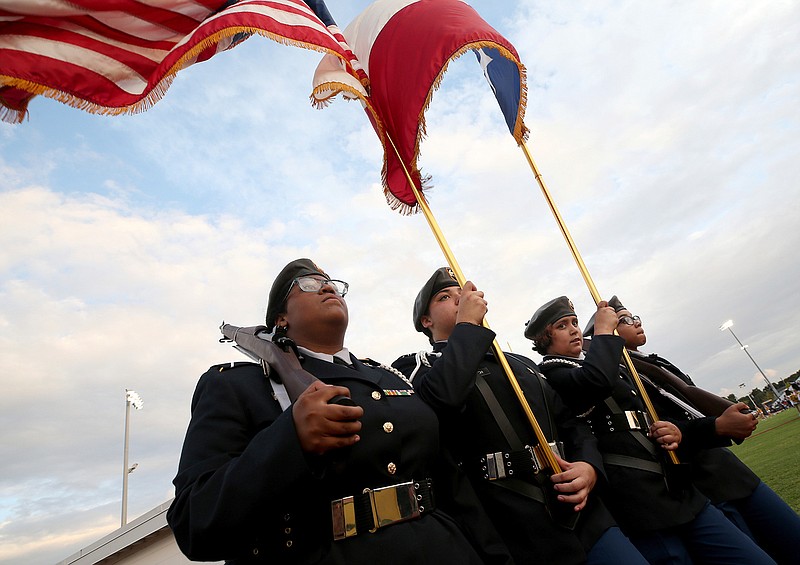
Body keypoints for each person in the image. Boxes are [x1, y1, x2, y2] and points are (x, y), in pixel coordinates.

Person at [167, 259, 510, 565]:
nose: (327, 286)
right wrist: (290, 439)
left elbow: (450, 480)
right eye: (309, 284)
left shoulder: (390, 376)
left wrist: (493, 555)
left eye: (331, 283)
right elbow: (195, 522)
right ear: (280, 318)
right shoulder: (238, 385)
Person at [392, 268, 648, 565]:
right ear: (427, 321)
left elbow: (571, 423)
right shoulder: (418, 367)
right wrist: (467, 327)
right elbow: (443, 400)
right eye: (446, 297)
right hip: (517, 526)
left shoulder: (520, 363)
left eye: (462, 293)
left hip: (583, 514)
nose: (461, 298)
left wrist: (589, 466)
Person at [525, 296, 777, 565]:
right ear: (543, 339)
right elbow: (594, 383)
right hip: (637, 498)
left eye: (575, 322)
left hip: (674, 484)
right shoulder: (551, 374)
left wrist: (675, 431)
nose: (574, 329)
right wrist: (602, 333)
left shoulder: (601, 362)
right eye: (562, 326)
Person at [587, 296, 800, 564]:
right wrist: (717, 426)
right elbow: (654, 428)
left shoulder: (655, 363)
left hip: (726, 469)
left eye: (635, 316)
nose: (637, 323)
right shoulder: (617, 376)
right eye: (625, 321)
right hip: (695, 478)